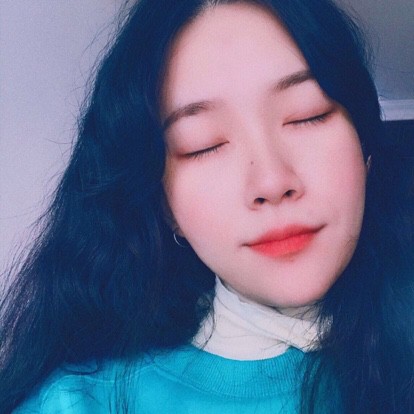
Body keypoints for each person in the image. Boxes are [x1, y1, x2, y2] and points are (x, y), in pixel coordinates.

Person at [1, 0, 413, 413]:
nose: (271, 182)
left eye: (307, 115)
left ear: (365, 148)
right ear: (164, 204)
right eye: (203, 144)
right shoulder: (79, 403)